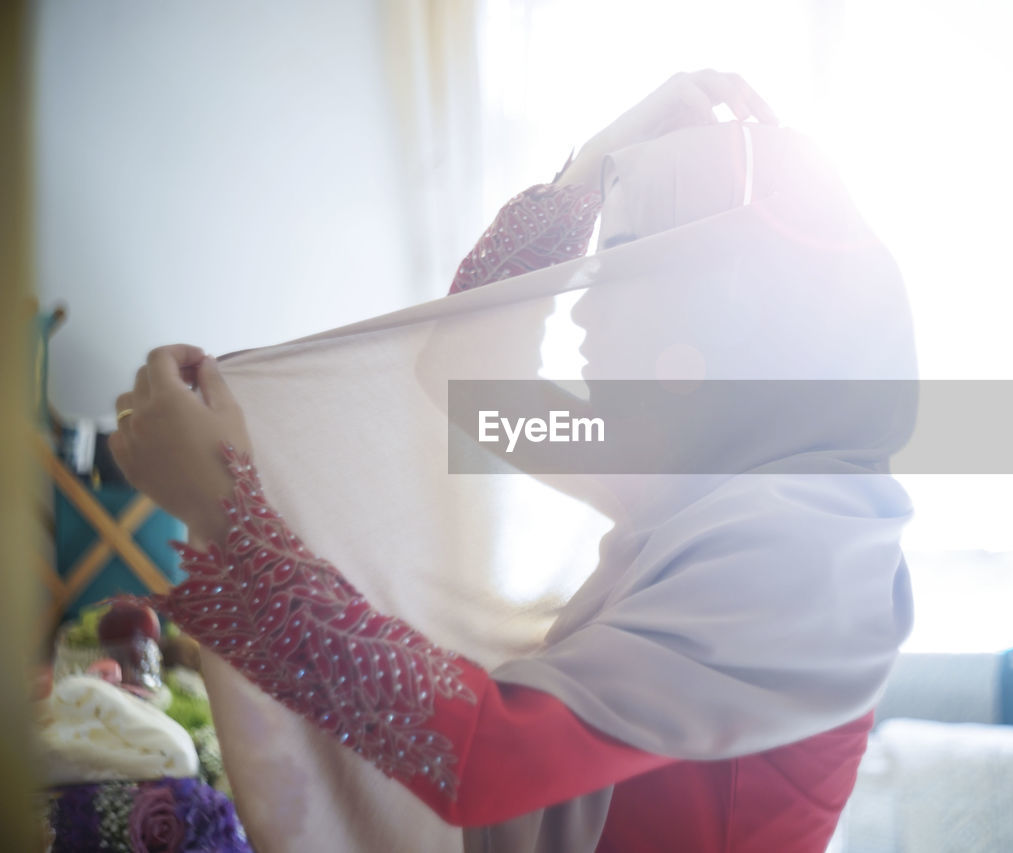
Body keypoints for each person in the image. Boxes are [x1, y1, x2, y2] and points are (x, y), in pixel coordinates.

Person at [109, 71, 915, 852]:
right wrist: (596, 164)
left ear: (725, 312)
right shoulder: (707, 482)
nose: (584, 304)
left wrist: (227, 511)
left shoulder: (804, 554)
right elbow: (463, 368)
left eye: (630, 269)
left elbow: (486, 758)